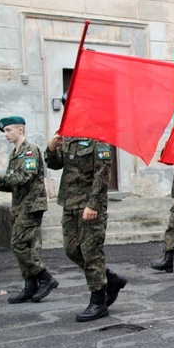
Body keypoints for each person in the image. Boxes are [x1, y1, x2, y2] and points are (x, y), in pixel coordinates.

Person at [45, 96, 127, 322]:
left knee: (91, 254)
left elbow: (102, 176)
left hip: (90, 207)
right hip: (70, 204)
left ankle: (98, 301)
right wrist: (51, 148)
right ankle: (110, 278)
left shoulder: (98, 138)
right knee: (72, 250)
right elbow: (55, 164)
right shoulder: (69, 136)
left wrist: (93, 204)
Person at [0, 116, 58, 304]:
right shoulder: (15, 153)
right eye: (4, 131)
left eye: (9, 130)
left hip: (32, 205)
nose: (6, 134)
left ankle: (45, 278)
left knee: (18, 244)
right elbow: (13, 183)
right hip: (20, 205)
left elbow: (25, 177)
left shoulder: (30, 151)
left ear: (21, 130)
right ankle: (30, 285)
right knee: (25, 246)